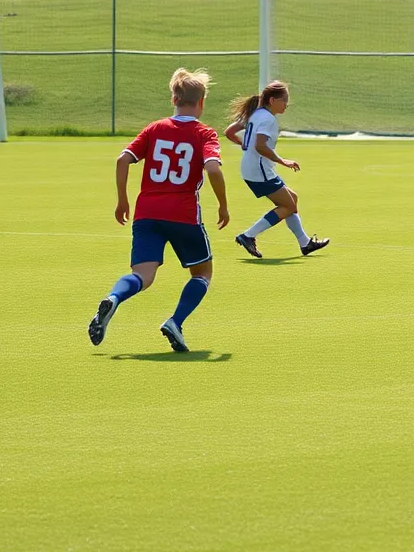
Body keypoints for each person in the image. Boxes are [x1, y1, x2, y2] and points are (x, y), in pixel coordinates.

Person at [88, 68, 228, 353]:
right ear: (202, 101)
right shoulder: (205, 133)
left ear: (173, 99)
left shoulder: (154, 129)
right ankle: (176, 321)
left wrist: (122, 201)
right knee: (202, 274)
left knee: (143, 275)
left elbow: (122, 160)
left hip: (146, 213)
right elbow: (212, 167)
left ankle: (114, 298)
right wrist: (224, 205)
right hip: (184, 214)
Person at [226, 81, 329, 259]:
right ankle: (248, 235)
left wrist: (244, 145)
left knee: (292, 199)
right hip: (259, 171)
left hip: (253, 168)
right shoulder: (267, 119)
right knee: (287, 206)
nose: (286, 105)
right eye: (284, 101)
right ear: (272, 100)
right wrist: (283, 161)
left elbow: (229, 132)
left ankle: (305, 243)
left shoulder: (256, 114)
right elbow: (260, 146)